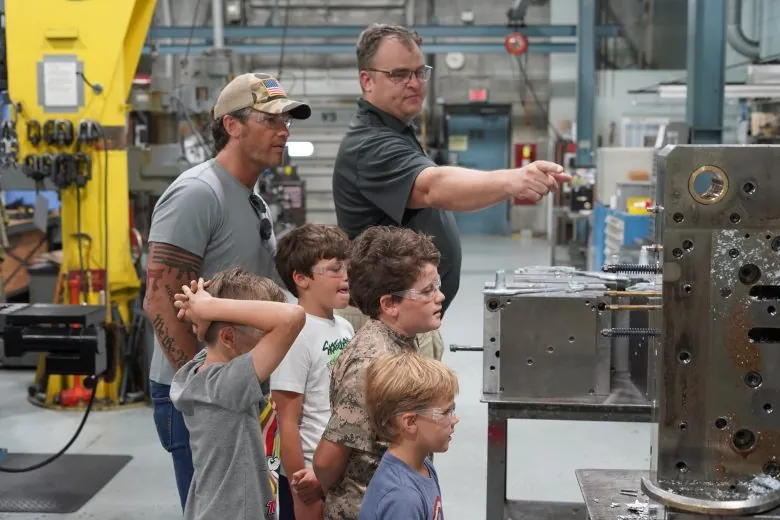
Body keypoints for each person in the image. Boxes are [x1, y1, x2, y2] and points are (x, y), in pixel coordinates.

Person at [331, 23, 571, 359]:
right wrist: (513, 180)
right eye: (399, 74)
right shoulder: (370, 144)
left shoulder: (396, 131)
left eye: (418, 72)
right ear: (367, 80)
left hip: (403, 318)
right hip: (384, 323)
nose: (414, 83)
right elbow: (432, 187)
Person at [143, 72, 311, 510]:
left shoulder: (252, 198)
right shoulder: (198, 194)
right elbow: (160, 296)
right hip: (209, 398)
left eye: (288, 122)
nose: (283, 131)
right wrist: (204, 392)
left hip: (240, 388)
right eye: (271, 120)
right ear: (232, 125)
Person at [312, 226, 444, 520]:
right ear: (389, 304)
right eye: (427, 291)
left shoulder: (401, 341)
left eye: (437, 285)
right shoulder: (372, 363)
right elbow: (326, 461)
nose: (440, 296)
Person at [169, 268, 306, 520]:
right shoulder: (227, 384)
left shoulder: (204, 371)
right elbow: (292, 317)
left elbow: (212, 335)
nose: (270, 343)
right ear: (229, 337)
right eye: (264, 333)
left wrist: (202, 314)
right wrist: (208, 309)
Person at [271, 224, 356, 520]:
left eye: (346, 266)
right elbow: (287, 421)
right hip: (309, 475)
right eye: (334, 269)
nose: (345, 275)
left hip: (337, 467)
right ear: (301, 278)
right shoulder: (295, 335)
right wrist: (300, 492)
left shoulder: (343, 326)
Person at [359, 351, 459, 520]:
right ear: (410, 422)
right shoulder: (403, 498)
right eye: (446, 412)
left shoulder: (423, 465)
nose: (455, 419)